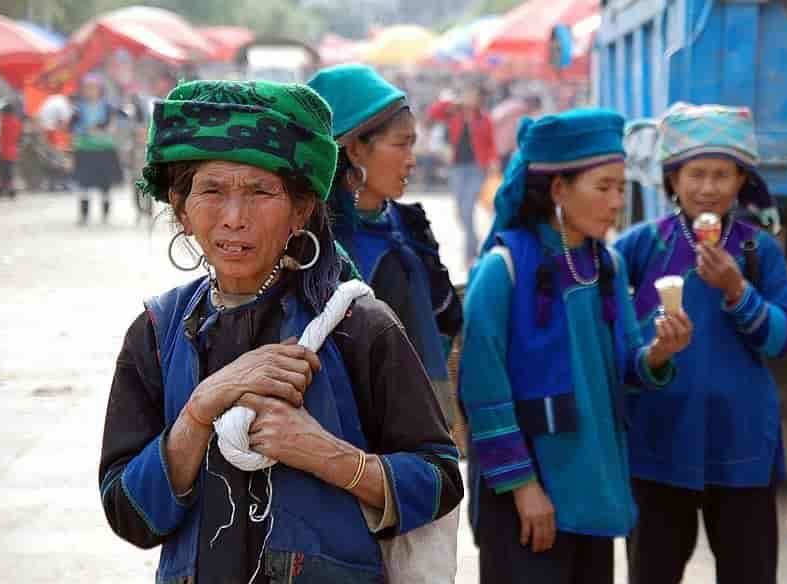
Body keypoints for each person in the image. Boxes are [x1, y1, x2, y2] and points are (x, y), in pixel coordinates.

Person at [99, 80, 463, 584]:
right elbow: (130, 514)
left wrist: (326, 455)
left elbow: (441, 480)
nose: (234, 218)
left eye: (259, 192)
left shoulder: (357, 326)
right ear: (182, 210)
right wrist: (202, 406)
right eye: (211, 190)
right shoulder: (157, 334)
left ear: (301, 210)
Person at [459, 109, 693, 583]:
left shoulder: (607, 266)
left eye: (621, 188)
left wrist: (660, 353)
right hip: (528, 498)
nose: (616, 202)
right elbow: (483, 393)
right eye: (603, 187)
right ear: (559, 190)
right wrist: (525, 488)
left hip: (593, 489)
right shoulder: (503, 270)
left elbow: (628, 365)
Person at [614, 103, 787, 584]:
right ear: (672, 180)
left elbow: (783, 340)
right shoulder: (641, 246)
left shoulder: (760, 249)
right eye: (696, 173)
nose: (709, 187)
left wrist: (737, 290)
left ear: (741, 181)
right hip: (660, 442)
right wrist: (651, 351)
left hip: (741, 446)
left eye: (722, 174)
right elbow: (607, 332)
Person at [307, 64, 463, 430]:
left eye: (414, 144)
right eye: (401, 144)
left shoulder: (409, 226)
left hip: (426, 428)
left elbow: (445, 321)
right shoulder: (318, 246)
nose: (412, 159)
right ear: (356, 148)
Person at [426, 85, 498, 267]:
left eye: (473, 95)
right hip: (457, 168)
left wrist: (493, 162)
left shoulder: (484, 119)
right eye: (467, 95)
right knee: (460, 211)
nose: (469, 98)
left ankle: (470, 255)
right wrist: (453, 102)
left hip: (476, 168)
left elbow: (491, 143)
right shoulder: (454, 115)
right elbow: (433, 112)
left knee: (467, 209)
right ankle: (473, 243)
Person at [71, 73, 123, 224]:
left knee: (105, 184)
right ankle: (84, 214)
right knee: (84, 183)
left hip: (104, 149)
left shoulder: (108, 107)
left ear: (100, 89)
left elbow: (116, 125)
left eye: (94, 88)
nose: (91, 91)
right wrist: (86, 130)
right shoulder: (78, 109)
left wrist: (105, 129)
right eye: (87, 88)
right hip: (85, 150)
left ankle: (105, 214)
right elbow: (73, 127)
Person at [0, 99, 21, 198]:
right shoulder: (16, 122)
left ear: (5, 112)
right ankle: (9, 189)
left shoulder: (2, 122)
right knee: (9, 171)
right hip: (12, 151)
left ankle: (4, 189)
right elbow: (18, 137)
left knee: (3, 171)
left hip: (2, 150)